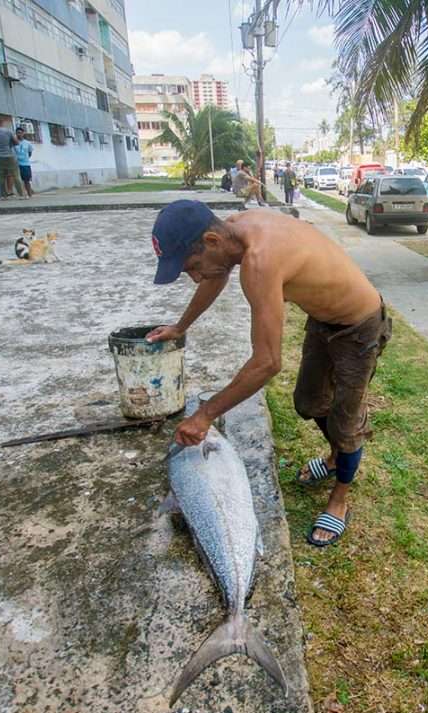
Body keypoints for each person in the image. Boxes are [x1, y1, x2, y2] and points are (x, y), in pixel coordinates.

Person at [146, 200, 391, 547]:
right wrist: (180, 326)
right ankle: (337, 456)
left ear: (212, 241)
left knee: (345, 421)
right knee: (308, 402)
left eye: (192, 266)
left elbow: (267, 362)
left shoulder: (260, 260)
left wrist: (205, 415)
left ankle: (339, 500)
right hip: (324, 319)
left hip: (361, 326)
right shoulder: (234, 231)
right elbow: (216, 276)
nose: (195, 276)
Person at [0, 118, 22, 199]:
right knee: (15, 175)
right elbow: (16, 142)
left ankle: (3, 195)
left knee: (2, 176)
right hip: (9, 155)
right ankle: (21, 194)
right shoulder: (8, 131)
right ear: (2, 121)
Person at [14, 126, 35, 198]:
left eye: (20, 133)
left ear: (23, 133)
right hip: (17, 164)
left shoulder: (27, 143)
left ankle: (29, 194)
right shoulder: (14, 143)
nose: (19, 134)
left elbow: (30, 153)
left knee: (27, 180)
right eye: (17, 133)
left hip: (25, 164)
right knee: (19, 180)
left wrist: (25, 158)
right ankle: (22, 194)